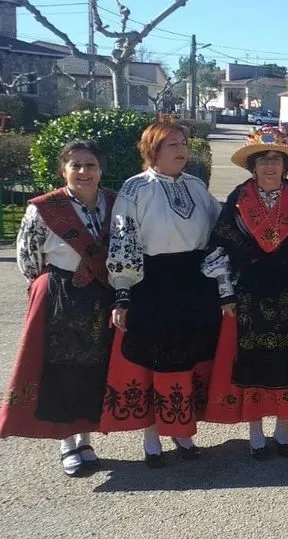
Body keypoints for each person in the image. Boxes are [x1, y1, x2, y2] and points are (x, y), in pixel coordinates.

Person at [100, 122, 222, 468]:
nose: (181, 149)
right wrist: (123, 291)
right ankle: (152, 435)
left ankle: (182, 431)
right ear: (152, 149)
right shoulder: (135, 189)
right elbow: (123, 241)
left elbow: (220, 228)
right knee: (155, 360)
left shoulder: (197, 187)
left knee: (188, 359)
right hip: (152, 283)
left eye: (183, 143)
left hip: (194, 283)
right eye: (171, 144)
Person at [201, 127, 288, 459]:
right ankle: (255, 431)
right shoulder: (238, 200)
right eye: (263, 160)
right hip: (250, 294)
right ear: (253, 166)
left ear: (285, 166)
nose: (269, 166)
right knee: (254, 361)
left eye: (276, 160)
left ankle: (283, 429)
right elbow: (218, 247)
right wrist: (226, 293)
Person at [0, 141, 115, 477]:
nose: (83, 172)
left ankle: (86, 438)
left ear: (100, 169)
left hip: (100, 294)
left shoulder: (113, 203)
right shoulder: (46, 209)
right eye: (75, 165)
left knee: (94, 367)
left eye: (90, 165)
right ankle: (67, 442)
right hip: (61, 293)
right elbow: (28, 257)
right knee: (61, 367)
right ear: (63, 170)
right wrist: (52, 286)